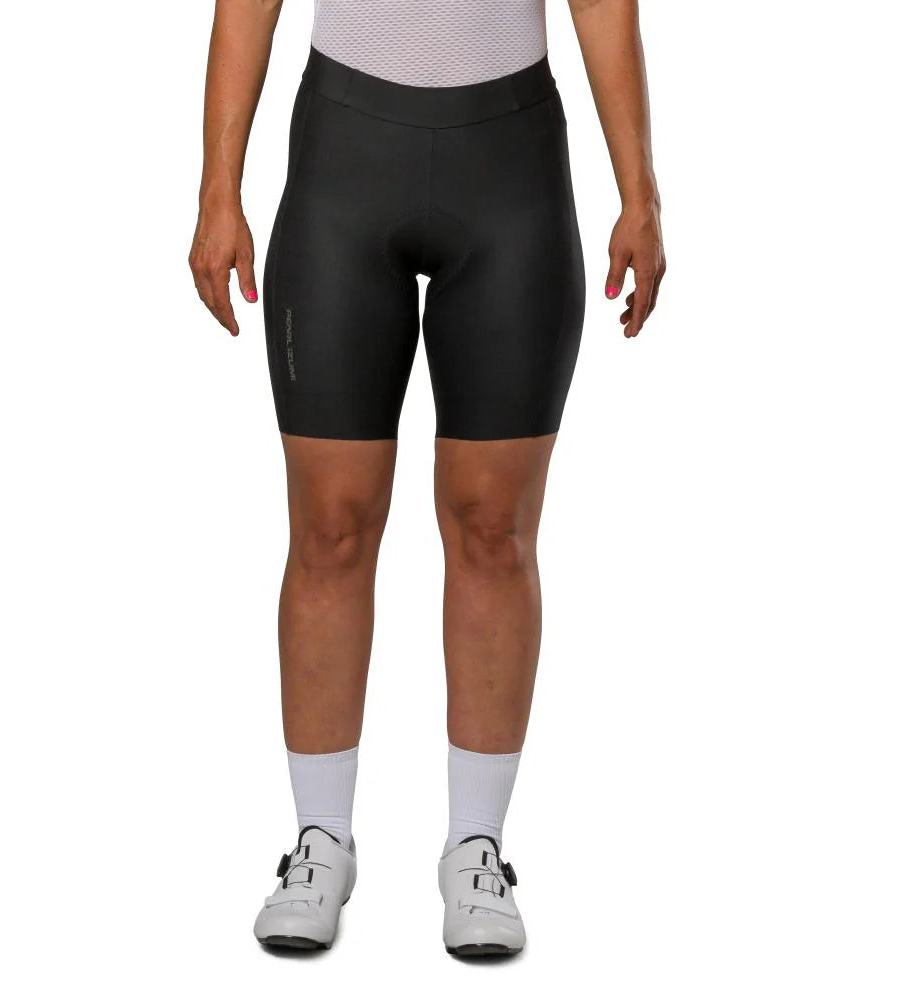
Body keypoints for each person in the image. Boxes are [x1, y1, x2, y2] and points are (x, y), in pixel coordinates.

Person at [189, 0, 665, 956]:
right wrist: (217, 190)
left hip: (510, 161)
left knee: (494, 527)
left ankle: (476, 848)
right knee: (331, 523)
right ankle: (321, 841)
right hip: (346, 155)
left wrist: (640, 191)